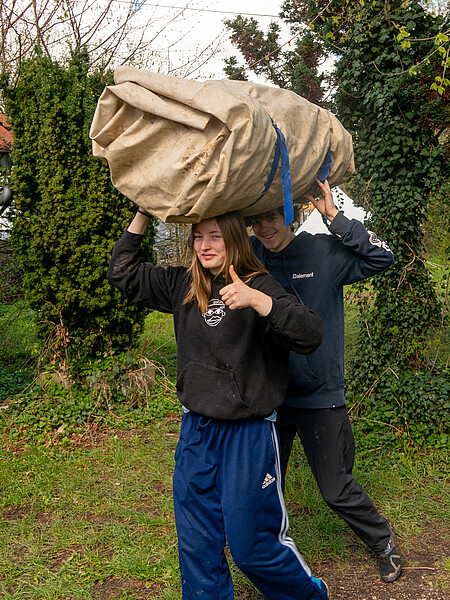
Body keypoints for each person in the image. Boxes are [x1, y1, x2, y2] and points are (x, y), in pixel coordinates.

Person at [107, 208, 329, 600]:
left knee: (251, 547)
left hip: (248, 434)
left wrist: (260, 301)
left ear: (234, 239)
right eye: (198, 237)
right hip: (197, 433)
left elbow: (310, 334)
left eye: (215, 236)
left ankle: (309, 595)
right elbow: (124, 272)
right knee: (197, 544)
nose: (204, 246)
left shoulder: (260, 284)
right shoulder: (184, 285)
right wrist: (143, 213)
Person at [249, 179, 402, 584]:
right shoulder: (251, 259)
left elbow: (382, 258)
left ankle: (382, 540)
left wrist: (334, 216)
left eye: (272, 217)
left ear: (292, 214)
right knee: (264, 486)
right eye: (257, 220)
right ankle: (267, 560)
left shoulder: (322, 251)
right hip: (270, 397)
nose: (264, 227)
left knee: (335, 489)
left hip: (320, 396)